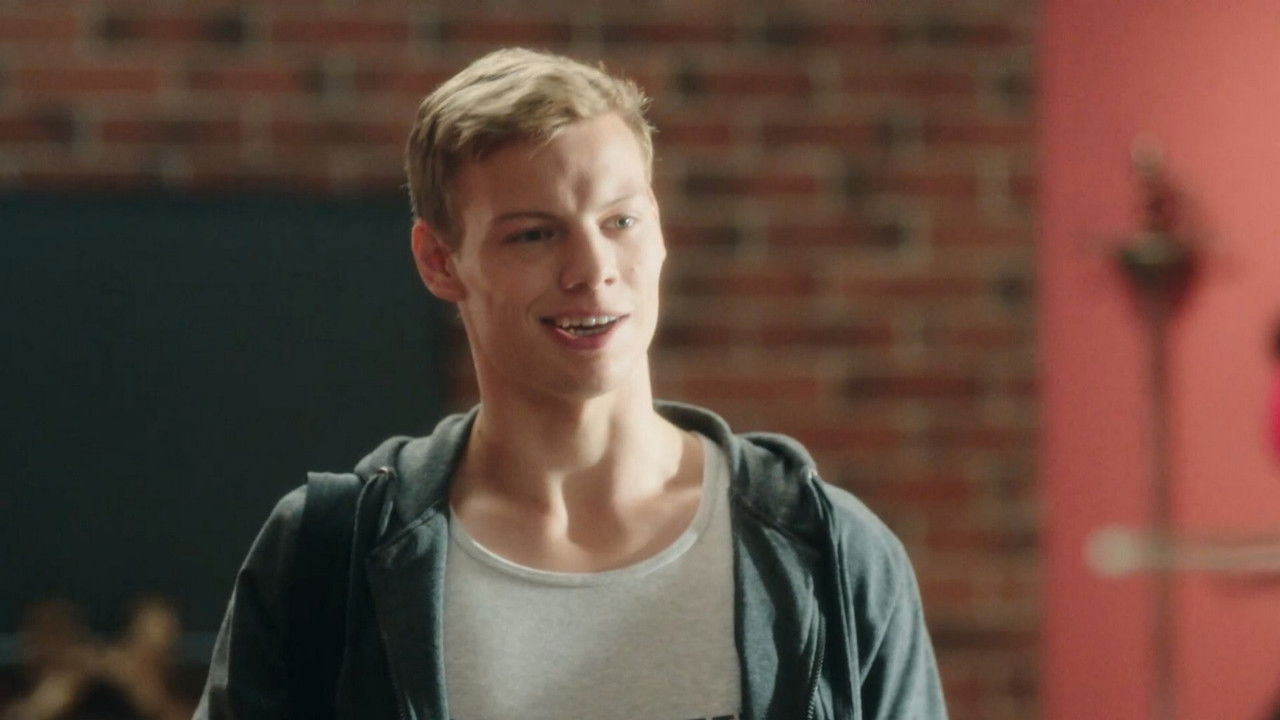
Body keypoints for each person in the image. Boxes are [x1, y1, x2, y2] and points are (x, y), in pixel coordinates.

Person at [194, 47, 947, 720]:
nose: (592, 270)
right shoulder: (328, 560)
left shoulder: (828, 551)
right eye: (535, 233)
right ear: (439, 261)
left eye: (620, 222)